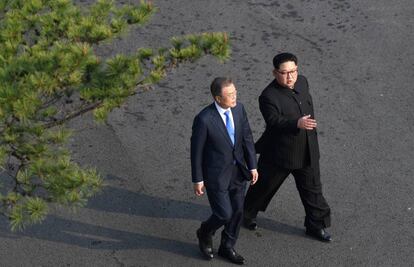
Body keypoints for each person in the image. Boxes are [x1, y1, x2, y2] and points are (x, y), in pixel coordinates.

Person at [243, 53, 332, 242]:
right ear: (275, 73)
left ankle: (315, 225)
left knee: (313, 190)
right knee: (263, 187)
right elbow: (273, 121)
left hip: (307, 150)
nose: (290, 76)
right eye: (284, 73)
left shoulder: (303, 82)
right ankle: (247, 214)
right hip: (280, 154)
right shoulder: (268, 96)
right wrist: (296, 123)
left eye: (293, 71)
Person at [191, 77, 258, 264]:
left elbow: (247, 138)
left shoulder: (239, 109)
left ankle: (227, 247)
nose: (235, 97)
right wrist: (198, 179)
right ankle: (205, 231)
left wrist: (252, 165)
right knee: (223, 213)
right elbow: (196, 152)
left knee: (237, 212)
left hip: (238, 173)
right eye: (230, 95)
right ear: (218, 98)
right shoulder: (204, 119)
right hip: (216, 176)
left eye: (235, 92)